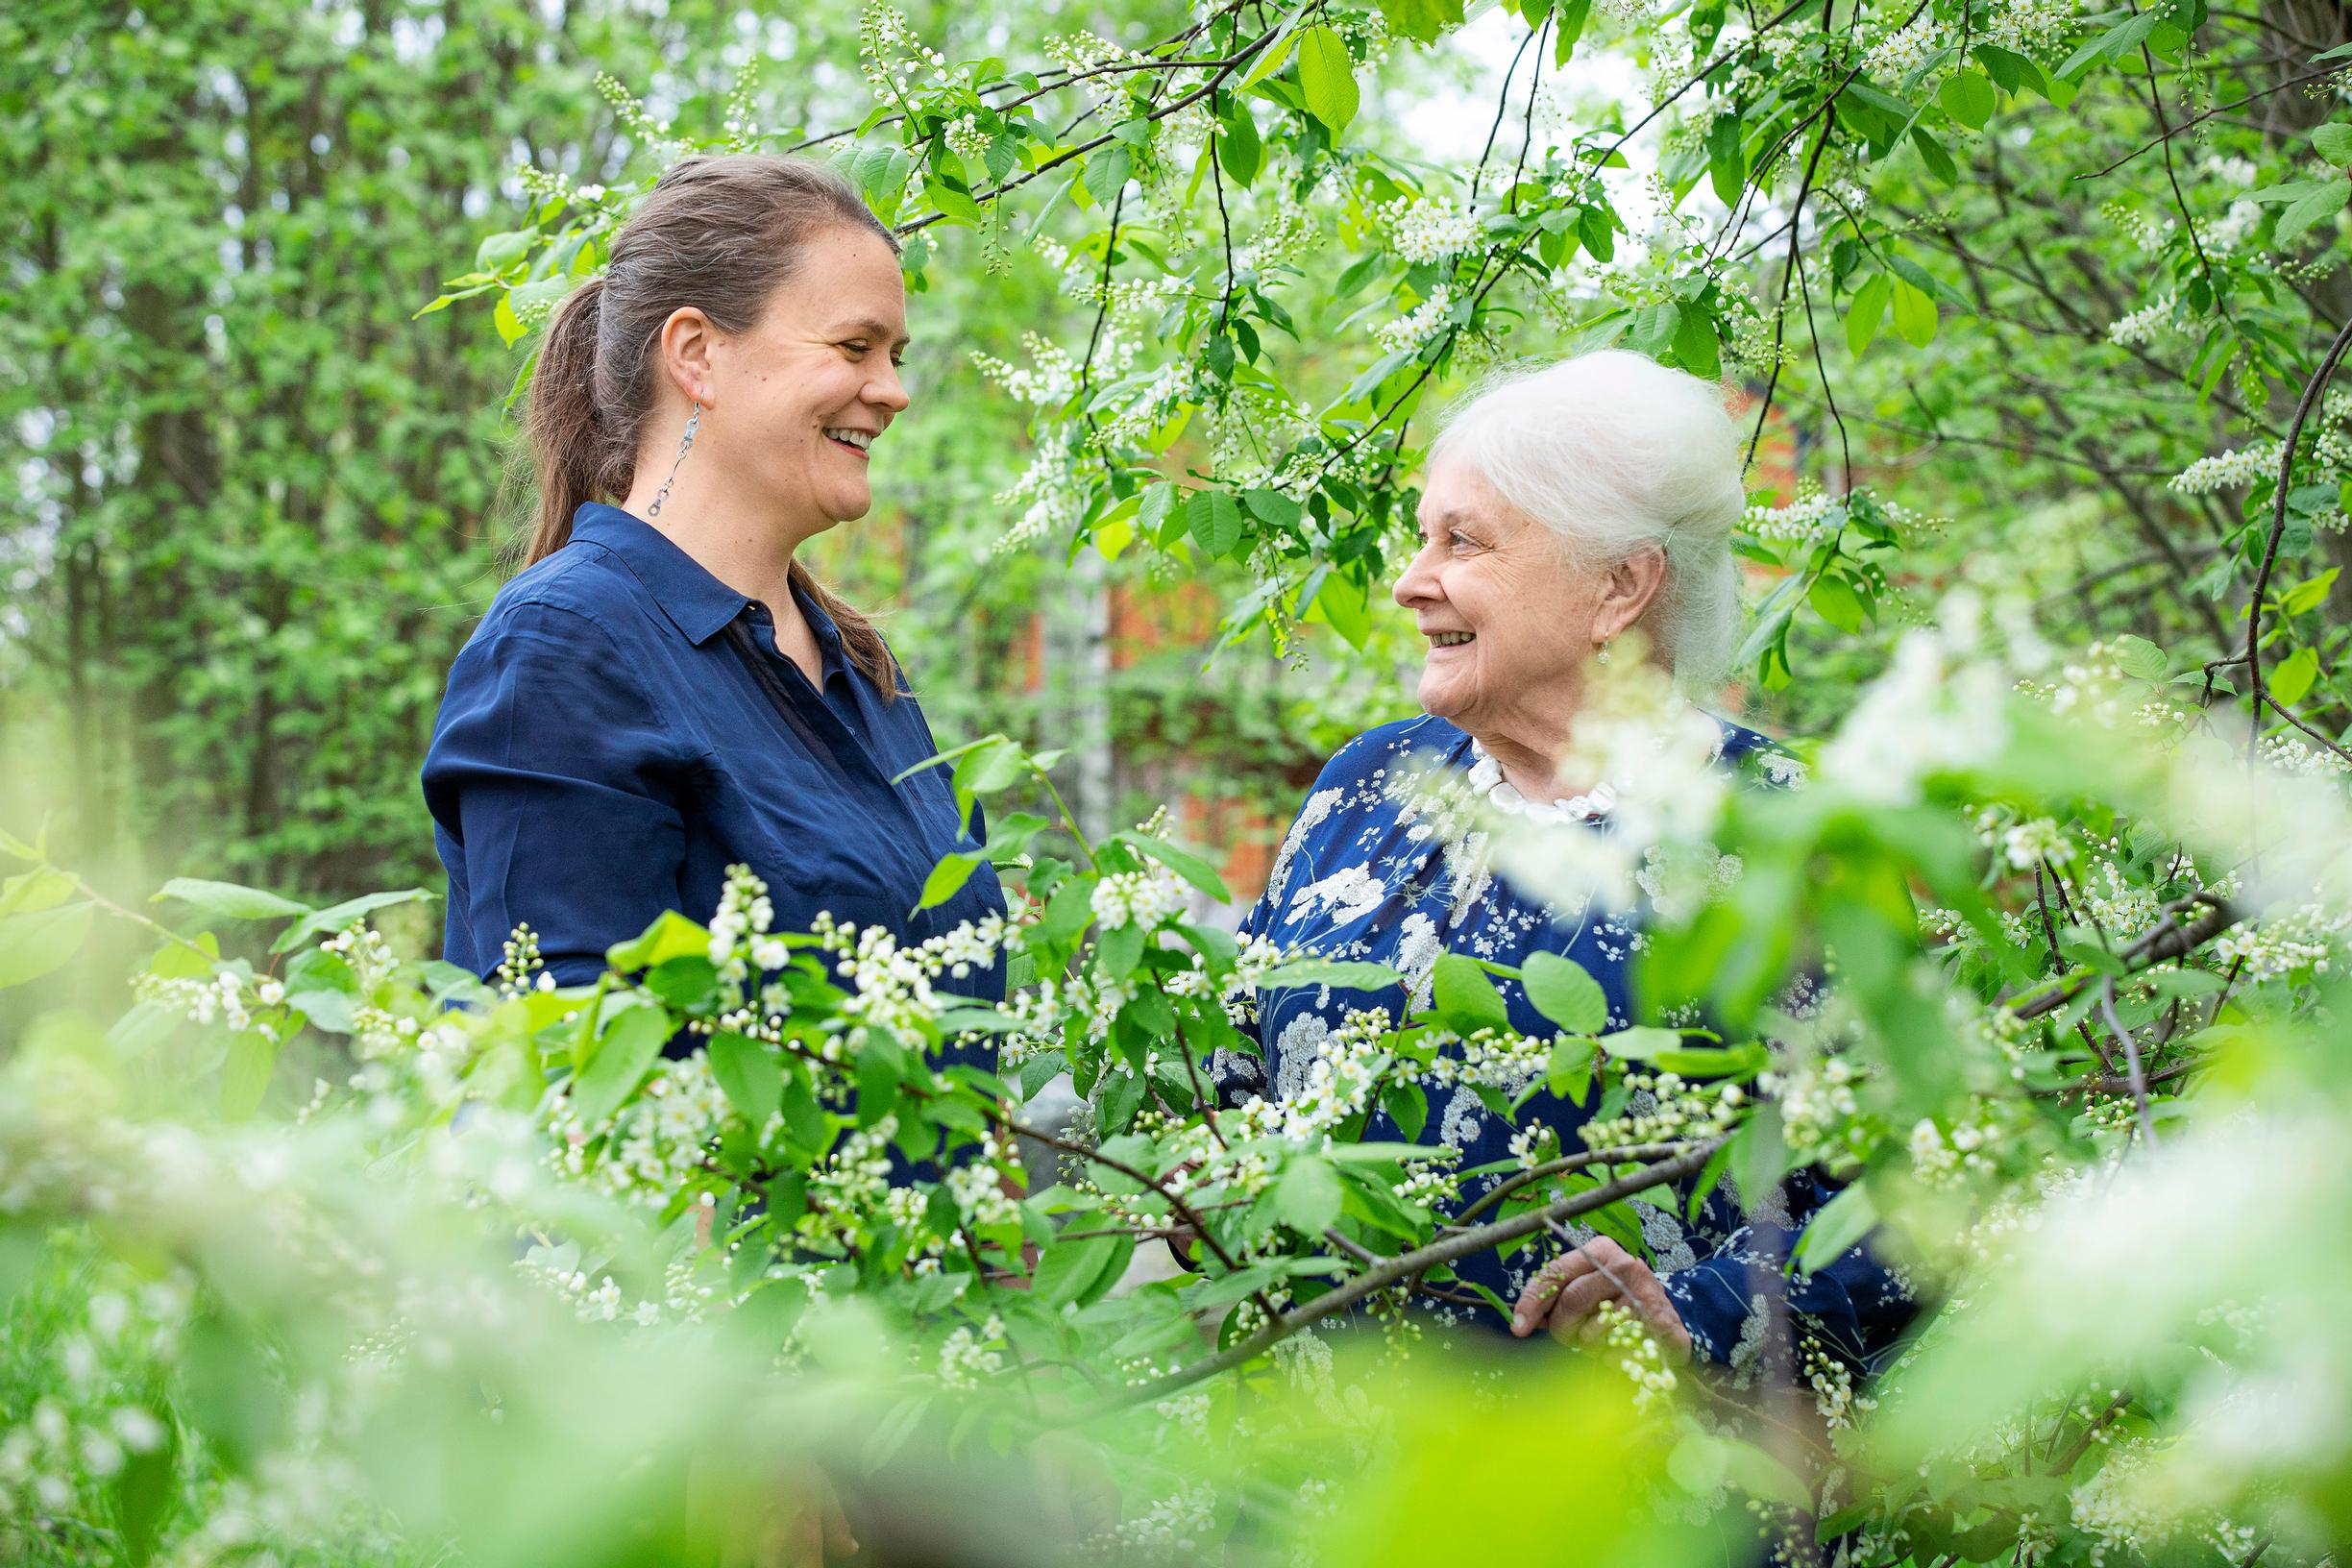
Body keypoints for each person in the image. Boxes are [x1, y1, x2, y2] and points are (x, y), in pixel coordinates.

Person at [1213, 350, 1914, 1384]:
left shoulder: (1790, 831)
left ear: (1618, 586)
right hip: (1305, 1456)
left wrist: (1698, 1320)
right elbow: (1233, 1044)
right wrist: (1203, 1170)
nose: (1410, 582)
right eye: (1423, 536)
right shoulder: (1370, 783)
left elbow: (1918, 1192)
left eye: (1463, 541)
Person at [423, 155, 1004, 1002]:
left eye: (895, 356)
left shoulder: (859, 666)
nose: (892, 392)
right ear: (697, 354)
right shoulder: (565, 646)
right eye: (855, 347)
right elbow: (568, 1050)